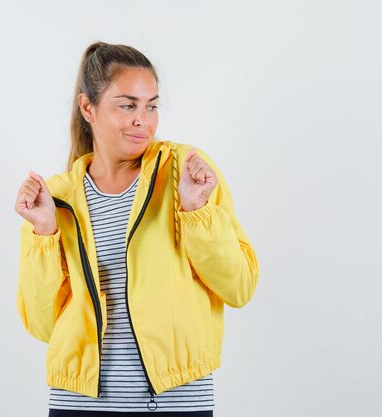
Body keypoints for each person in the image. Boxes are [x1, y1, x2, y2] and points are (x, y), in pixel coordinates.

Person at [13, 42, 259, 417]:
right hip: (79, 405)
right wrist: (44, 232)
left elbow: (239, 287)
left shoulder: (184, 169)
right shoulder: (58, 197)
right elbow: (44, 324)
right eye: (127, 105)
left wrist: (197, 213)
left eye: (151, 105)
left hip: (176, 402)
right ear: (87, 107)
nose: (142, 119)